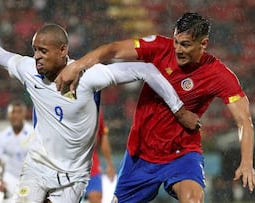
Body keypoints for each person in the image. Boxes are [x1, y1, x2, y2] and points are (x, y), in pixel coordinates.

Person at [0, 21, 199, 202]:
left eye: (43, 51)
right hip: (37, 167)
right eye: (35, 51)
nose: (37, 57)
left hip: (74, 176)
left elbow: (146, 69)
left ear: (63, 51)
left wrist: (178, 109)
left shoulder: (89, 76)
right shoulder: (28, 69)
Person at [55, 12, 255, 203]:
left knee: (193, 199)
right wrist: (77, 65)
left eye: (185, 45)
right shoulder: (159, 47)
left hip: (182, 153)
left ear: (203, 44)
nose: (178, 49)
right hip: (140, 154)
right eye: (176, 42)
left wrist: (246, 162)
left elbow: (244, 120)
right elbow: (114, 49)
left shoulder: (218, 74)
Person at [0, 100, 34, 202]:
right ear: (8, 115)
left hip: (30, 178)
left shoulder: (33, 134)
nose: (15, 115)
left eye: (19, 112)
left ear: (24, 114)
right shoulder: (1, 137)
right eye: (12, 112)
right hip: (10, 178)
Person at [85, 109, 115, 203]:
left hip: (91, 163)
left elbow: (102, 136)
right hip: (66, 164)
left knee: (96, 196)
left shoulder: (95, 109)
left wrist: (110, 164)